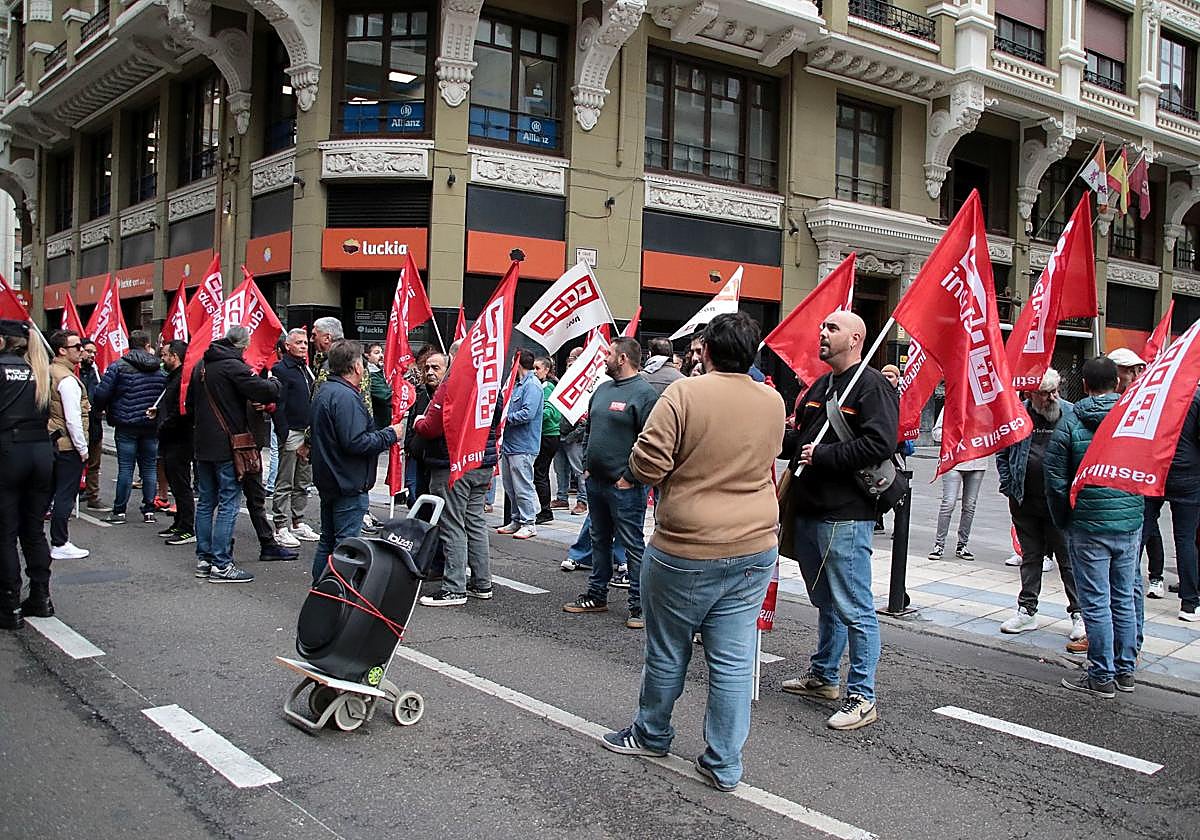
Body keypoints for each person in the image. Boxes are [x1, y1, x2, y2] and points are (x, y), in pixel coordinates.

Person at [602, 313, 784, 792]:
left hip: (686, 545)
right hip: (754, 544)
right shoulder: (772, 399)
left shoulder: (685, 393)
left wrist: (645, 468)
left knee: (667, 650)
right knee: (732, 660)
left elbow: (649, 461)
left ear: (705, 351)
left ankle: (652, 733)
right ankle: (724, 763)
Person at [780, 310, 897, 730]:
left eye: (832, 328)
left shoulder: (873, 386)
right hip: (811, 510)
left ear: (856, 338)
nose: (822, 332)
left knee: (855, 607)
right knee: (827, 600)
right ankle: (825, 675)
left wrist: (825, 456)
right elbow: (801, 438)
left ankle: (862, 696)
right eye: (822, 325)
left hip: (846, 515)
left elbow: (881, 442)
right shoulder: (822, 384)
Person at [1044, 356, 1144, 697]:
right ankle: (1125, 671)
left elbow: (1055, 481)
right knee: (1124, 599)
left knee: (1097, 602)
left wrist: (1064, 521)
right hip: (1129, 522)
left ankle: (1101, 675)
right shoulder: (1134, 420)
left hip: (1087, 523)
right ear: (1117, 382)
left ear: (1084, 385)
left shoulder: (1070, 425)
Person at [562, 337, 659, 627]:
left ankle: (639, 607)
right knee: (599, 540)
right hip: (597, 483)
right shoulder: (602, 390)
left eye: (608, 353)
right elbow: (590, 428)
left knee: (632, 545)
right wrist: (588, 468)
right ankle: (596, 595)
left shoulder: (645, 394)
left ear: (623, 359)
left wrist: (629, 477)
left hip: (625, 488)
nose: (603, 358)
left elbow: (651, 441)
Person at [188, 325, 281, 583]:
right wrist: (274, 380)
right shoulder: (232, 366)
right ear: (243, 346)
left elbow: (189, 404)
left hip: (203, 444)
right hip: (229, 444)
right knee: (229, 502)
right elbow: (264, 390)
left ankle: (204, 559)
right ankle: (221, 564)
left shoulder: (201, 366)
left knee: (207, 502)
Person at [995, 369, 1083, 641]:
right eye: (1045, 393)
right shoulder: (1018, 414)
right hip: (1025, 500)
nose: (1051, 397)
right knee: (1031, 556)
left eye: (1055, 390)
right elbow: (1003, 450)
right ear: (1030, 393)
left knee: (1068, 559)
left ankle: (1079, 613)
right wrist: (1009, 484)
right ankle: (1027, 610)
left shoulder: (1070, 413)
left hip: (1059, 503)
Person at [309, 340, 404, 581]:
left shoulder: (327, 392)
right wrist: (389, 435)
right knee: (345, 545)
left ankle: (321, 589)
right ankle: (336, 595)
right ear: (356, 367)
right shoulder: (345, 397)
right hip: (347, 481)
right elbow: (356, 442)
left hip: (332, 479)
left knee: (328, 540)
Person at [415, 343, 498, 606]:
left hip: (454, 464)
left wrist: (417, 421)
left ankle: (454, 588)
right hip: (483, 463)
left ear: (453, 358)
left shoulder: (451, 385)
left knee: (452, 524)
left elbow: (431, 427)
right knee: (475, 521)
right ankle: (482, 583)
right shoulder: (490, 382)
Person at [0, 321, 55, 628]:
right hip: (40, 453)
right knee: (33, 529)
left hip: (8, 451)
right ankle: (41, 597)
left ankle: (8, 605)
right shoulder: (39, 368)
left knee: (5, 532)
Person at [92, 329, 166, 525]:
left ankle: (119, 511)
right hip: (150, 424)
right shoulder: (159, 368)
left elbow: (101, 394)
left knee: (125, 468)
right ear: (147, 345)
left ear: (129, 345)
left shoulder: (118, 366)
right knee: (149, 468)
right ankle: (149, 509)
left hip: (126, 423)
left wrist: (101, 410)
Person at [1142, 383, 1200, 623]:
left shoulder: (1155, 392)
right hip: (1188, 473)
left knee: (1142, 530)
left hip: (1156, 468)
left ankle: (1125, 589)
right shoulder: (1195, 396)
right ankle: (1189, 603)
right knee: (1185, 539)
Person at [45, 330, 90, 561]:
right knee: (65, 495)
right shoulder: (68, 380)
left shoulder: (48, 372)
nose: (82, 351)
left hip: (51, 442)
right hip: (66, 446)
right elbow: (73, 418)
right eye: (77, 347)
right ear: (62, 350)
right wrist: (83, 449)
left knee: (48, 493)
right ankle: (60, 542)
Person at [272, 328, 318, 548]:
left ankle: (298, 521)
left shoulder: (306, 369)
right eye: (298, 343)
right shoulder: (281, 370)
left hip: (307, 431)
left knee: (303, 480)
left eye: (305, 343)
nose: (303, 346)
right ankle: (280, 525)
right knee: (285, 480)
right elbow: (277, 405)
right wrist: (284, 432)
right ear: (287, 346)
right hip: (291, 431)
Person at [151, 339, 195, 545]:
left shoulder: (182, 380)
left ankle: (187, 527)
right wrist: (158, 413)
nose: (162, 359)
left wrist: (163, 426)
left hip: (179, 439)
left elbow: (180, 413)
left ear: (174, 357)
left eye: (165, 355)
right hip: (170, 438)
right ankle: (179, 522)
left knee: (181, 483)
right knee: (175, 483)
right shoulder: (173, 378)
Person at [928, 407, 987, 560]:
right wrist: (955, 434)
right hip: (954, 461)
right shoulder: (953, 401)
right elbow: (937, 433)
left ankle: (962, 545)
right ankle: (939, 544)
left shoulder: (986, 404)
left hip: (977, 461)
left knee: (970, 505)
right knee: (948, 502)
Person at [496, 349, 543, 540]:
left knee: (523, 485)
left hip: (523, 445)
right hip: (511, 444)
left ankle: (529, 522)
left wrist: (504, 418)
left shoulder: (532, 386)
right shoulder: (517, 385)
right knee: (510, 486)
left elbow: (527, 414)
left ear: (517, 364)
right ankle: (516, 520)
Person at [405, 351, 447, 507]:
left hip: (439, 463)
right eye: (427, 368)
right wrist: (411, 446)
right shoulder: (422, 395)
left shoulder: (449, 397)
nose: (430, 372)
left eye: (435, 368)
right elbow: (411, 423)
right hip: (420, 461)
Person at [553, 346, 588, 515]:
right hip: (559, 434)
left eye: (573, 363)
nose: (569, 366)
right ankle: (562, 497)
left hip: (574, 438)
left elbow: (585, 419)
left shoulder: (584, 389)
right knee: (560, 469)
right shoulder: (562, 384)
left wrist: (573, 436)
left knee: (579, 470)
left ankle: (583, 501)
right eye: (568, 363)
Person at [78, 338, 108, 512]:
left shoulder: (96, 373)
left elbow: (101, 395)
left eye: (94, 352)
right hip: (77, 423)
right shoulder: (74, 372)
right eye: (88, 351)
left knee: (94, 463)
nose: (92, 355)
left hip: (94, 423)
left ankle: (92, 495)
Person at [532, 355, 561, 525]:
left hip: (548, 435)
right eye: (533, 368)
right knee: (540, 473)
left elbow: (548, 413)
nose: (535, 372)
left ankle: (545, 510)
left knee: (540, 473)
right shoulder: (542, 386)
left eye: (538, 368)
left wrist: (530, 415)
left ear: (547, 370)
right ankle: (544, 508)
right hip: (546, 435)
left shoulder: (547, 387)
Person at [364, 342, 393, 428]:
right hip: (377, 426)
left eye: (381, 352)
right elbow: (386, 396)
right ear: (367, 356)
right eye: (376, 353)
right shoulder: (370, 375)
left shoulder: (380, 372)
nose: (381, 356)